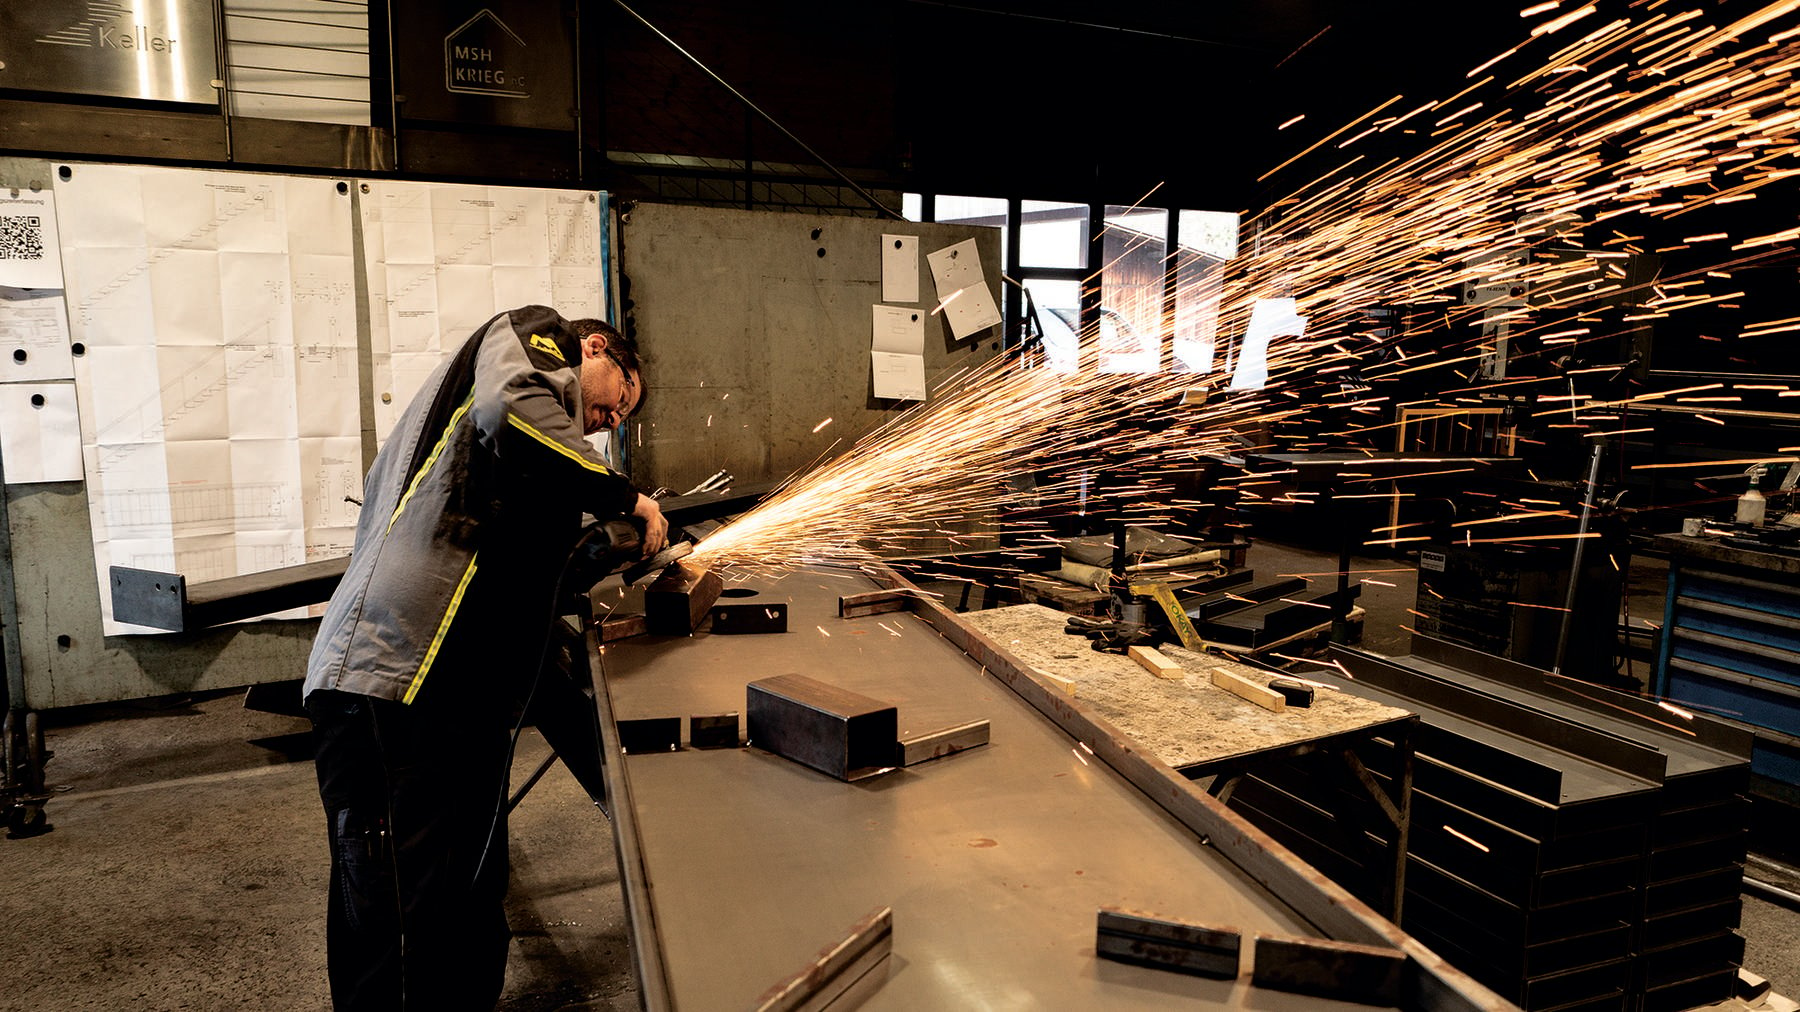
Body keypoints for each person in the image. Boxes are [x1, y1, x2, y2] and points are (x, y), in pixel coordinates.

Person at [302, 305, 666, 1010]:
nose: (610, 423)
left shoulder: (503, 461)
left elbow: (520, 562)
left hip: (452, 704)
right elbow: (512, 409)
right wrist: (627, 496)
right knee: (399, 929)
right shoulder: (538, 338)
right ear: (595, 349)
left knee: (465, 902)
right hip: (390, 686)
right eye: (619, 401)